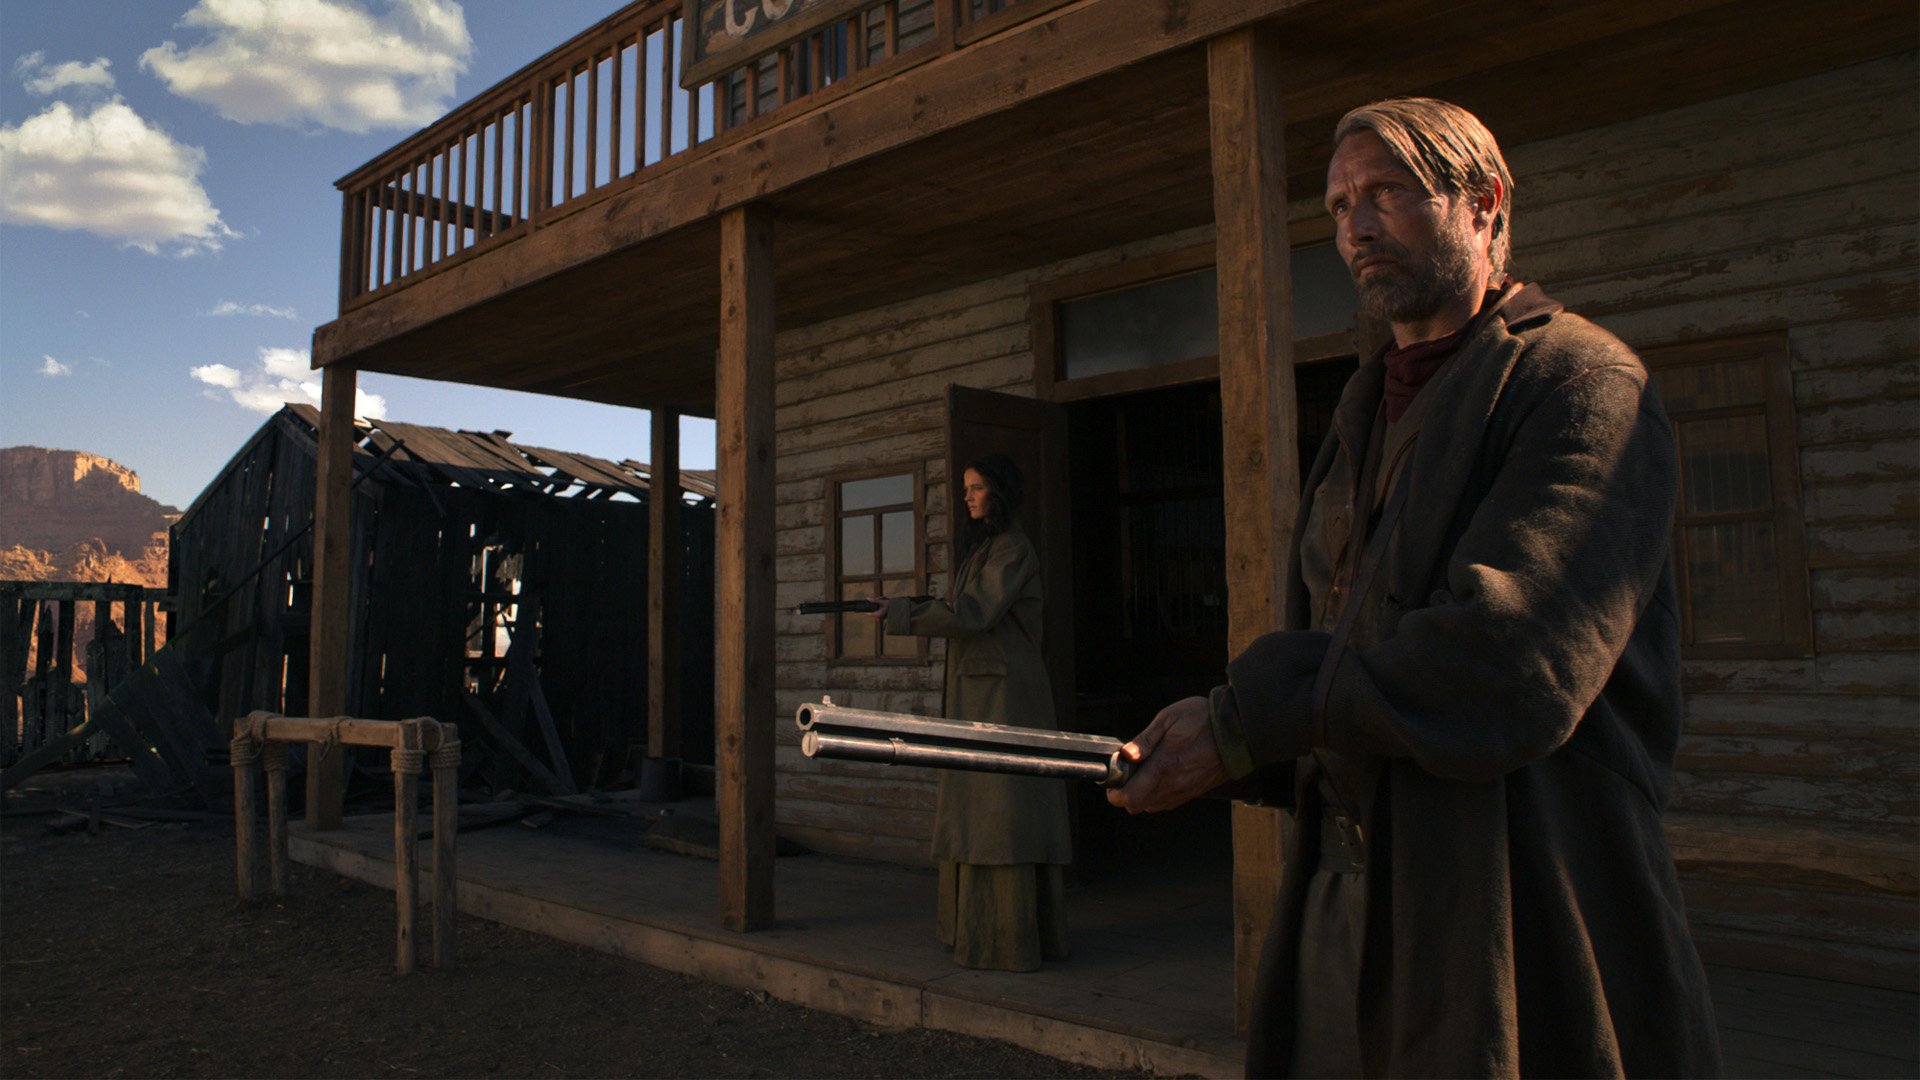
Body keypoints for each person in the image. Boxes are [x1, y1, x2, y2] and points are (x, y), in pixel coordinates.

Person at [1107, 98, 1722, 1077]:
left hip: (1515, 914)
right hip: (1345, 906)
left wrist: (1254, 716)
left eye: (1388, 192)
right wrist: (1230, 747)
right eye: (1341, 202)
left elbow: (1509, 665)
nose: (1355, 225)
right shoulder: (1367, 403)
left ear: (1485, 203)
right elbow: (1350, 652)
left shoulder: (1581, 385)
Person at [875, 453, 1072, 971]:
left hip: (1006, 698)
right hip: (977, 692)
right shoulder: (983, 551)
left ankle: (1009, 937)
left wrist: (903, 612)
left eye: (977, 487)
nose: (967, 496)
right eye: (966, 488)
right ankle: (972, 930)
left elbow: (973, 613)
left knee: (1002, 808)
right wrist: (906, 607)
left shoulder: (1012, 550)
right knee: (972, 805)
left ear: (1000, 492)